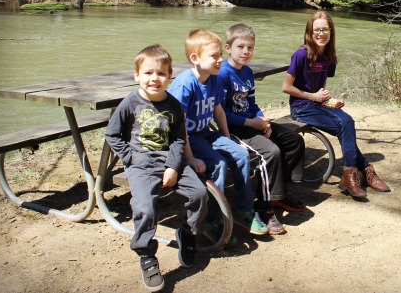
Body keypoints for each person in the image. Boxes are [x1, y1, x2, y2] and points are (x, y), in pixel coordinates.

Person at [105, 45, 208, 292]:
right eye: (148, 73)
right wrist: (131, 158)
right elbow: (113, 134)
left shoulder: (173, 105)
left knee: (199, 194)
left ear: (170, 75)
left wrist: (173, 167)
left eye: (161, 73)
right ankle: (146, 255)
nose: (155, 79)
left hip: (170, 160)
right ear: (137, 75)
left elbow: (178, 139)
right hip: (140, 164)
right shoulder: (130, 102)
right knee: (145, 207)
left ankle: (188, 233)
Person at [167, 29, 268, 243]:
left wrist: (227, 137)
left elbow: (219, 111)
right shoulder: (185, 84)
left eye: (220, 54)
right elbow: (178, 126)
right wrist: (190, 157)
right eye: (215, 56)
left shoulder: (212, 78)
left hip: (205, 133)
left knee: (240, 155)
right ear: (195, 58)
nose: (220, 59)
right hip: (188, 138)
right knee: (219, 164)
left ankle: (243, 210)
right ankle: (212, 222)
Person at [281, 11, 391, 198]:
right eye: (317, 30)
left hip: (318, 104)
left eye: (325, 29)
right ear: (309, 32)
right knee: (345, 124)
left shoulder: (329, 57)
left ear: (331, 32)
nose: (321, 33)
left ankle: (351, 175)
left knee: (346, 123)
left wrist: (326, 98)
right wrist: (313, 96)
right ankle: (362, 171)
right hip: (301, 107)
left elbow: (322, 83)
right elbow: (286, 87)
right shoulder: (300, 55)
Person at [219, 23, 306, 235]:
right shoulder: (222, 73)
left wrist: (262, 120)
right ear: (228, 47)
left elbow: (252, 103)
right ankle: (264, 206)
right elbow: (220, 112)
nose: (246, 52)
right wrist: (251, 124)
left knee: (293, 140)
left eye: (250, 48)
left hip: (252, 122)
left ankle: (279, 193)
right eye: (240, 47)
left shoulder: (248, 72)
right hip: (235, 129)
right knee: (271, 152)